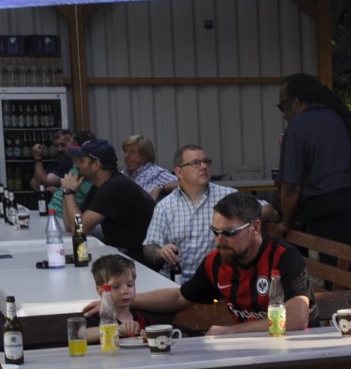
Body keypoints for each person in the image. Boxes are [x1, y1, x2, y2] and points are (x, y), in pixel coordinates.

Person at [131, 192, 313, 335]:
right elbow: (180, 297)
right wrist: (129, 299)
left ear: (255, 228)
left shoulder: (283, 257)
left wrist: (230, 332)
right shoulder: (217, 261)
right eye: (215, 232)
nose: (219, 241)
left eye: (229, 233)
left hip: (294, 349)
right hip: (246, 352)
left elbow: (296, 319)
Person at [275, 73, 351, 287]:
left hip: (332, 220)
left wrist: (287, 223)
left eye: (283, 107)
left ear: (296, 102)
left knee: (337, 291)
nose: (284, 115)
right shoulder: (348, 119)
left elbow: (291, 187)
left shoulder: (298, 126)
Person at [144, 144, 235, 282]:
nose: (204, 167)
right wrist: (160, 252)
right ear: (179, 172)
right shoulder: (164, 207)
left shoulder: (228, 197)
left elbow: (265, 210)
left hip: (215, 282)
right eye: (196, 163)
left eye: (206, 161)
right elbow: (149, 246)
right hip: (175, 282)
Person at [58, 137, 156, 261]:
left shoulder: (114, 187)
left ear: (96, 165)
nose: (77, 165)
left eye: (82, 161)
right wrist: (66, 193)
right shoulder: (101, 186)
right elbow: (70, 227)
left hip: (138, 260)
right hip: (123, 254)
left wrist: (69, 193)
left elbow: (79, 229)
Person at [78, 254, 151, 340]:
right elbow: (82, 333)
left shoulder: (142, 319)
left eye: (130, 285)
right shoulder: (97, 317)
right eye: (116, 286)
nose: (125, 291)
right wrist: (117, 330)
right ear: (101, 291)